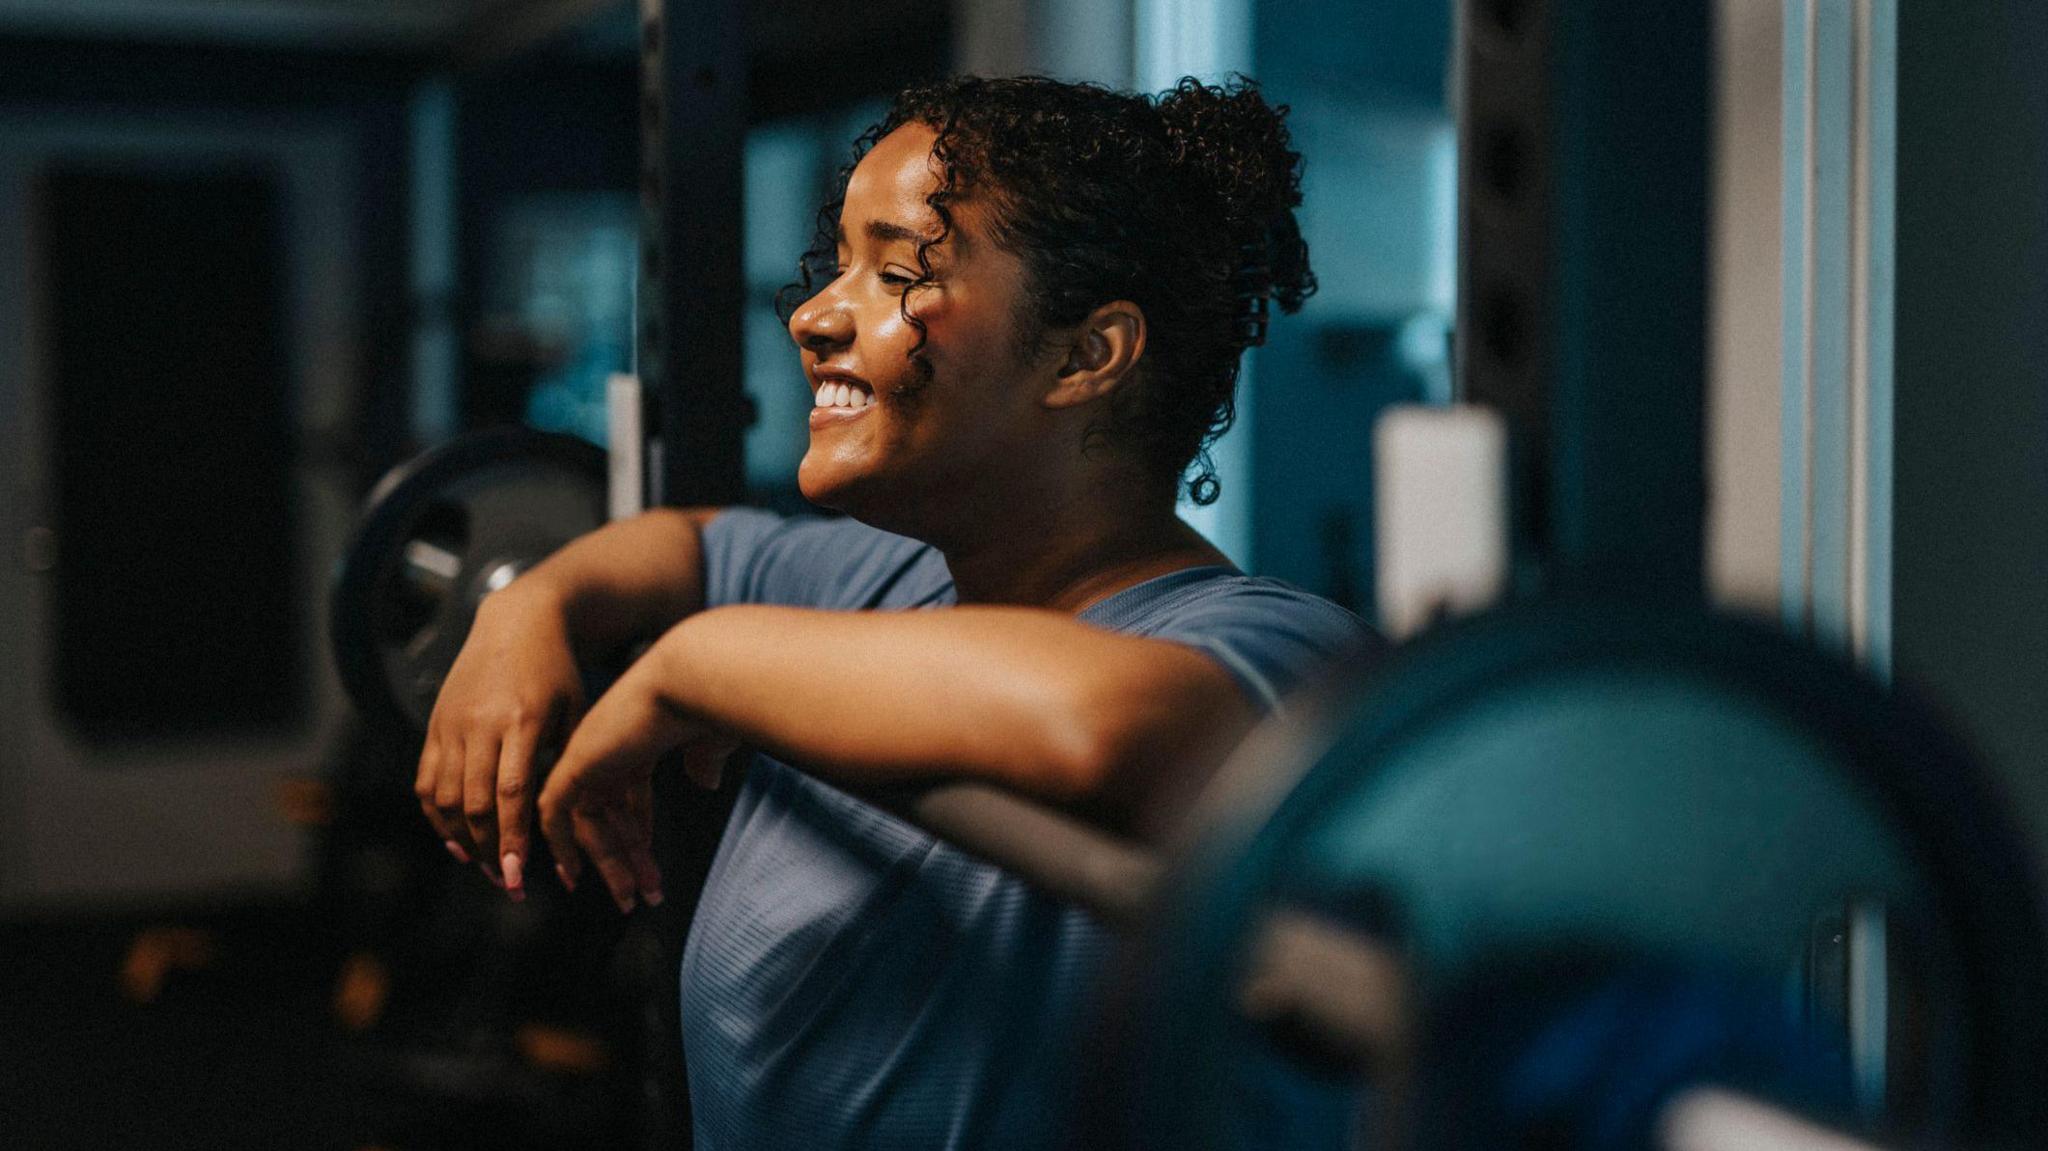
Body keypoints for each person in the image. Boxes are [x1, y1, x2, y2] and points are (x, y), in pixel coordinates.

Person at [413, 74, 1376, 1149]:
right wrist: (530, 607)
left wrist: (697, 661)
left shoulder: (1270, 643)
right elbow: (683, 544)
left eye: (895, 268)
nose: (813, 313)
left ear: (1083, 354)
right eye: (837, 266)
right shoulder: (888, 578)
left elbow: (1112, 722)